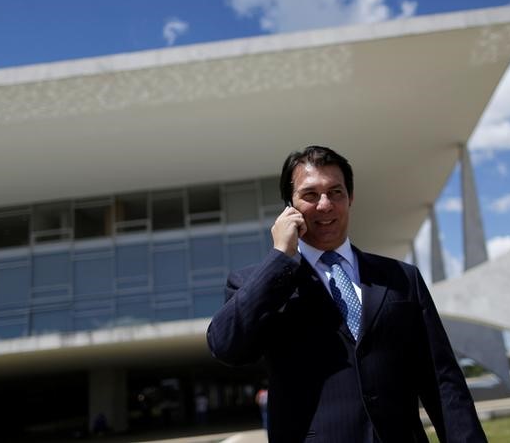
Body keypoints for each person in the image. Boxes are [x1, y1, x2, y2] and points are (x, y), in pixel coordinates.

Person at [207, 146, 486, 443]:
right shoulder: (258, 282)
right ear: (290, 205)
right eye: (310, 195)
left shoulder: (402, 279)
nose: (325, 205)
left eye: (335, 192)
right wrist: (280, 258)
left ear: (350, 198)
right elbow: (226, 346)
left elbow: (442, 380)